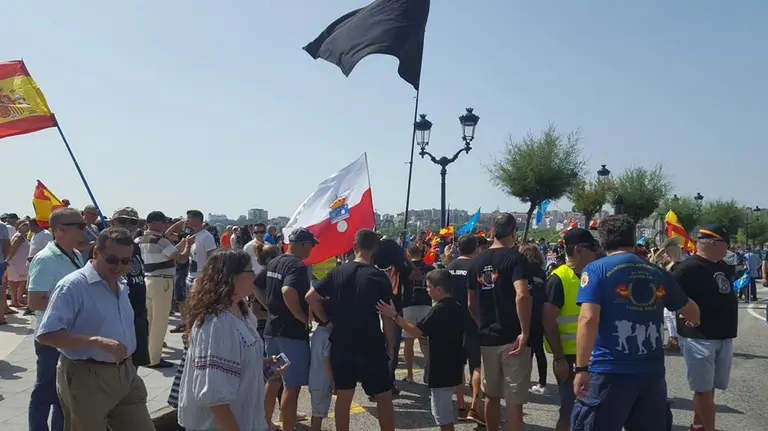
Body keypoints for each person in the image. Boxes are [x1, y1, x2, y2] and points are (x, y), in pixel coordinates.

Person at [571, 215, 701, 430]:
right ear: (632, 240)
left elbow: (588, 318)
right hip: (651, 374)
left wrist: (582, 368)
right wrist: (692, 320)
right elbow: (692, 311)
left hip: (608, 371)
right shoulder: (657, 272)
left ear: (603, 242)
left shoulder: (596, 270)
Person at [36, 228, 155, 430]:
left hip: (125, 373)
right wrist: (95, 341)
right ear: (95, 253)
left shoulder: (121, 283)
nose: (119, 266)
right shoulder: (73, 286)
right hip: (87, 377)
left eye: (126, 261)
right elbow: (47, 335)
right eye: (112, 260)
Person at [306, 228, 396, 431]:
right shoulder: (379, 277)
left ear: (354, 246)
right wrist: (390, 345)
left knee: (344, 396)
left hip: (342, 342)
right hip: (371, 343)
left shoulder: (337, 272)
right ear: (375, 249)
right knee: (383, 396)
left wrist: (327, 321)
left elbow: (311, 296)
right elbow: (387, 316)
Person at [177, 249, 274, 431]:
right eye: (250, 271)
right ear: (230, 277)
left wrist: (265, 366)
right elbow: (214, 396)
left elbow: (237, 364)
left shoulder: (243, 313)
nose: (255, 275)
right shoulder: (217, 324)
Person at [467, 213, 533, 431]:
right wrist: (524, 331)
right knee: (514, 403)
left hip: (487, 337)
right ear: (513, 232)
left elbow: (471, 302)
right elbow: (522, 294)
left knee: (491, 396)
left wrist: (481, 323)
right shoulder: (516, 259)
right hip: (513, 338)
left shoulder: (476, 261)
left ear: (492, 231)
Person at [378, 269, 465, 431]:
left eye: (429, 287)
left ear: (438, 289)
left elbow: (417, 331)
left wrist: (394, 316)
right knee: (444, 408)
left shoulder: (439, 310)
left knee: (442, 412)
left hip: (441, 367)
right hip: (454, 364)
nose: (427, 290)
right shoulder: (457, 306)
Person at [672, 225, 738, 431]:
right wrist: (683, 312)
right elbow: (671, 296)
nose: (728, 248)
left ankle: (698, 425)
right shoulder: (687, 268)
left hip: (723, 335)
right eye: (726, 244)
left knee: (710, 388)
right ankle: (709, 428)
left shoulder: (723, 266)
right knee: (703, 389)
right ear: (714, 243)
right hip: (699, 337)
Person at [26, 208, 86, 431]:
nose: (85, 229)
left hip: (69, 335)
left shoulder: (76, 255)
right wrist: (71, 309)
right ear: (60, 230)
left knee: (64, 395)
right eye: (79, 226)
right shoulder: (46, 259)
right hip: (51, 337)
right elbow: (35, 301)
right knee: (46, 391)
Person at [542, 228, 599, 431]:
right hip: (568, 358)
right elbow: (548, 321)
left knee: (593, 410)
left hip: (594, 356)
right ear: (577, 250)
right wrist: (558, 358)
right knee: (569, 409)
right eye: (591, 248)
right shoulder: (559, 279)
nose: (595, 253)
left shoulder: (594, 275)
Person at [263, 228, 317, 431]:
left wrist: (269, 306)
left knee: (273, 379)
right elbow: (287, 290)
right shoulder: (297, 266)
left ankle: (265, 423)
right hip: (291, 333)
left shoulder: (275, 261)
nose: (312, 249)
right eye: (312, 245)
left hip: (272, 328)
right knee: (291, 386)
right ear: (303, 244)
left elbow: (257, 285)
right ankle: (287, 427)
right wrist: (300, 316)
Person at [139, 210, 192, 368]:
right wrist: (187, 246)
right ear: (154, 222)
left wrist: (177, 245)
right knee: (160, 322)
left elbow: (165, 254)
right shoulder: (160, 240)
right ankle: (154, 358)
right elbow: (181, 258)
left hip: (148, 279)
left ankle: (146, 353)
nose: (165, 225)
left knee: (149, 320)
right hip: (162, 282)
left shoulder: (141, 239)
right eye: (163, 222)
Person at [445, 234, 484, 425]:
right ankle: (475, 407)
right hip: (472, 322)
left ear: (458, 248)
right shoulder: (476, 267)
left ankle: (461, 405)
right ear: (475, 248)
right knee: (476, 366)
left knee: (457, 365)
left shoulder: (449, 268)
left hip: (452, 322)